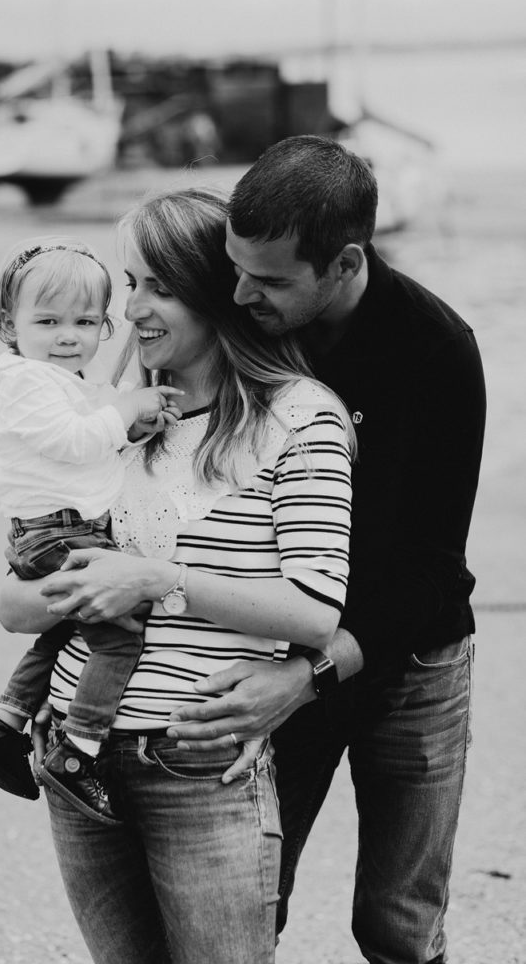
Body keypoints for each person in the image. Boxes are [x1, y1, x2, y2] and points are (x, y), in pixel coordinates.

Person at [0, 190, 354, 964]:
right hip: (73, 754)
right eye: (131, 285)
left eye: (159, 287)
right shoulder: (112, 420)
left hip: (195, 759)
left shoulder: (299, 418)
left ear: (214, 292)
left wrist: (157, 577)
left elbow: (315, 611)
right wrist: (59, 593)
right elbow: (16, 605)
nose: (131, 311)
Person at [163, 136, 486, 964]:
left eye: (270, 280)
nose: (241, 294)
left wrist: (306, 677)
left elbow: (429, 571)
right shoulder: (244, 327)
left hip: (412, 663)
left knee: (398, 925)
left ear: (345, 263)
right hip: (276, 644)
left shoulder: (436, 349)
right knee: (246, 903)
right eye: (235, 269)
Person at [0, 236, 182, 819]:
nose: (68, 335)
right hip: (56, 533)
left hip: (60, 528)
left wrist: (135, 426)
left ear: (104, 326)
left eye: (84, 322)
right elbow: (76, 440)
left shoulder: (66, 381)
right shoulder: (29, 382)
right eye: (48, 321)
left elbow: (95, 444)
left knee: (67, 629)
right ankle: (78, 753)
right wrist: (128, 409)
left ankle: (4, 724)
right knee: (119, 635)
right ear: (8, 325)